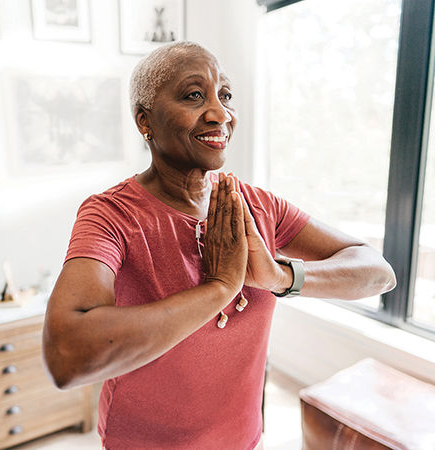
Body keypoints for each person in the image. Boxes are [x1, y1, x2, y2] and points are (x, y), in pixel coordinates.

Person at [42, 41, 396, 449]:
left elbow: (378, 273)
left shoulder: (259, 205)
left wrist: (280, 275)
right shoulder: (111, 215)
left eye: (224, 95)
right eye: (195, 95)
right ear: (145, 121)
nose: (220, 113)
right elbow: (66, 357)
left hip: (243, 439)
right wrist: (219, 289)